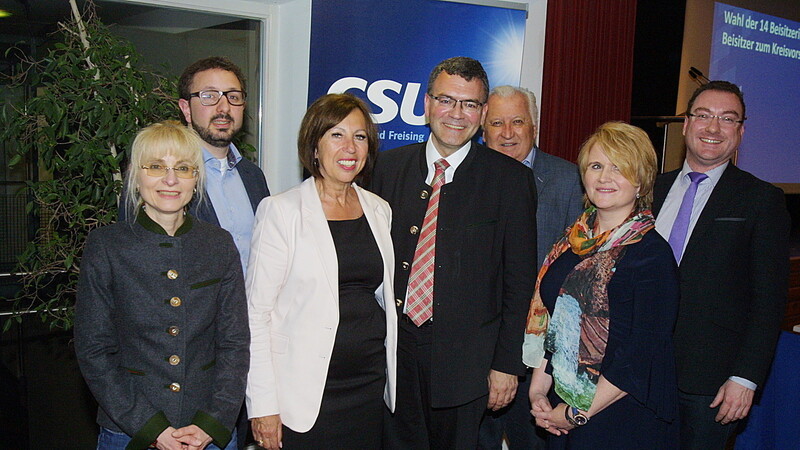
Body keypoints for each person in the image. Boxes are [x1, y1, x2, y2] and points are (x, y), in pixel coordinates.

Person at [370, 57, 537, 449]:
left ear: (482, 114)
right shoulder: (385, 169)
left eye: (470, 104)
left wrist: (506, 366)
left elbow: (519, 284)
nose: (457, 114)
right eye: (447, 100)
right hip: (393, 356)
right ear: (427, 104)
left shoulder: (511, 181)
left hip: (468, 368)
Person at [74, 121, 250, 450]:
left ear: (196, 178)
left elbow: (234, 345)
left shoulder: (219, 245)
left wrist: (212, 422)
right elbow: (94, 350)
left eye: (183, 168)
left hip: (207, 433)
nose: (170, 179)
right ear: (136, 177)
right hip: (128, 432)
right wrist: (150, 427)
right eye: (156, 166)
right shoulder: (107, 246)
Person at [245, 93, 397, 449]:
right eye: (337, 135)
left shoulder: (378, 209)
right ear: (314, 145)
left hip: (368, 385)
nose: (350, 147)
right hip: (304, 395)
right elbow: (256, 314)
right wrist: (263, 406)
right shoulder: (280, 212)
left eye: (360, 137)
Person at [524, 122, 680, 449]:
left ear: (641, 182)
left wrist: (578, 412)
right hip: (563, 403)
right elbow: (556, 326)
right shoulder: (571, 243)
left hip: (620, 416)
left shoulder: (652, 255)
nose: (604, 177)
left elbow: (641, 355)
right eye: (596, 166)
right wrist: (538, 389)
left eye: (619, 167)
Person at [653, 81, 790, 449]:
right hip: (639, 371)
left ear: (741, 132)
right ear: (685, 124)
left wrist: (745, 378)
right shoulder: (649, 190)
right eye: (704, 116)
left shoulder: (762, 200)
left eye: (727, 119)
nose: (713, 128)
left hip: (709, 385)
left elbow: (769, 302)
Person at [480, 85, 583, 450]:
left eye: (518, 122)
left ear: (534, 127)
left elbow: (579, 278)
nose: (507, 133)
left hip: (541, 359)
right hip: (476, 352)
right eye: (497, 123)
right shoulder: (465, 178)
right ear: (482, 128)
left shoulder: (570, 181)